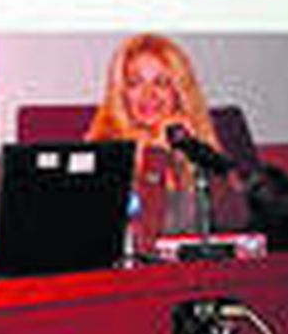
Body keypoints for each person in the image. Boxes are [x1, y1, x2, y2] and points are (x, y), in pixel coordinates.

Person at [85, 32, 227, 230]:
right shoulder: (105, 154)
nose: (148, 94)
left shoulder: (191, 142)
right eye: (135, 83)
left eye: (161, 83)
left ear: (180, 93)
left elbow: (236, 221)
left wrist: (190, 150)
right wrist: (156, 154)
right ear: (121, 93)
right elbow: (145, 234)